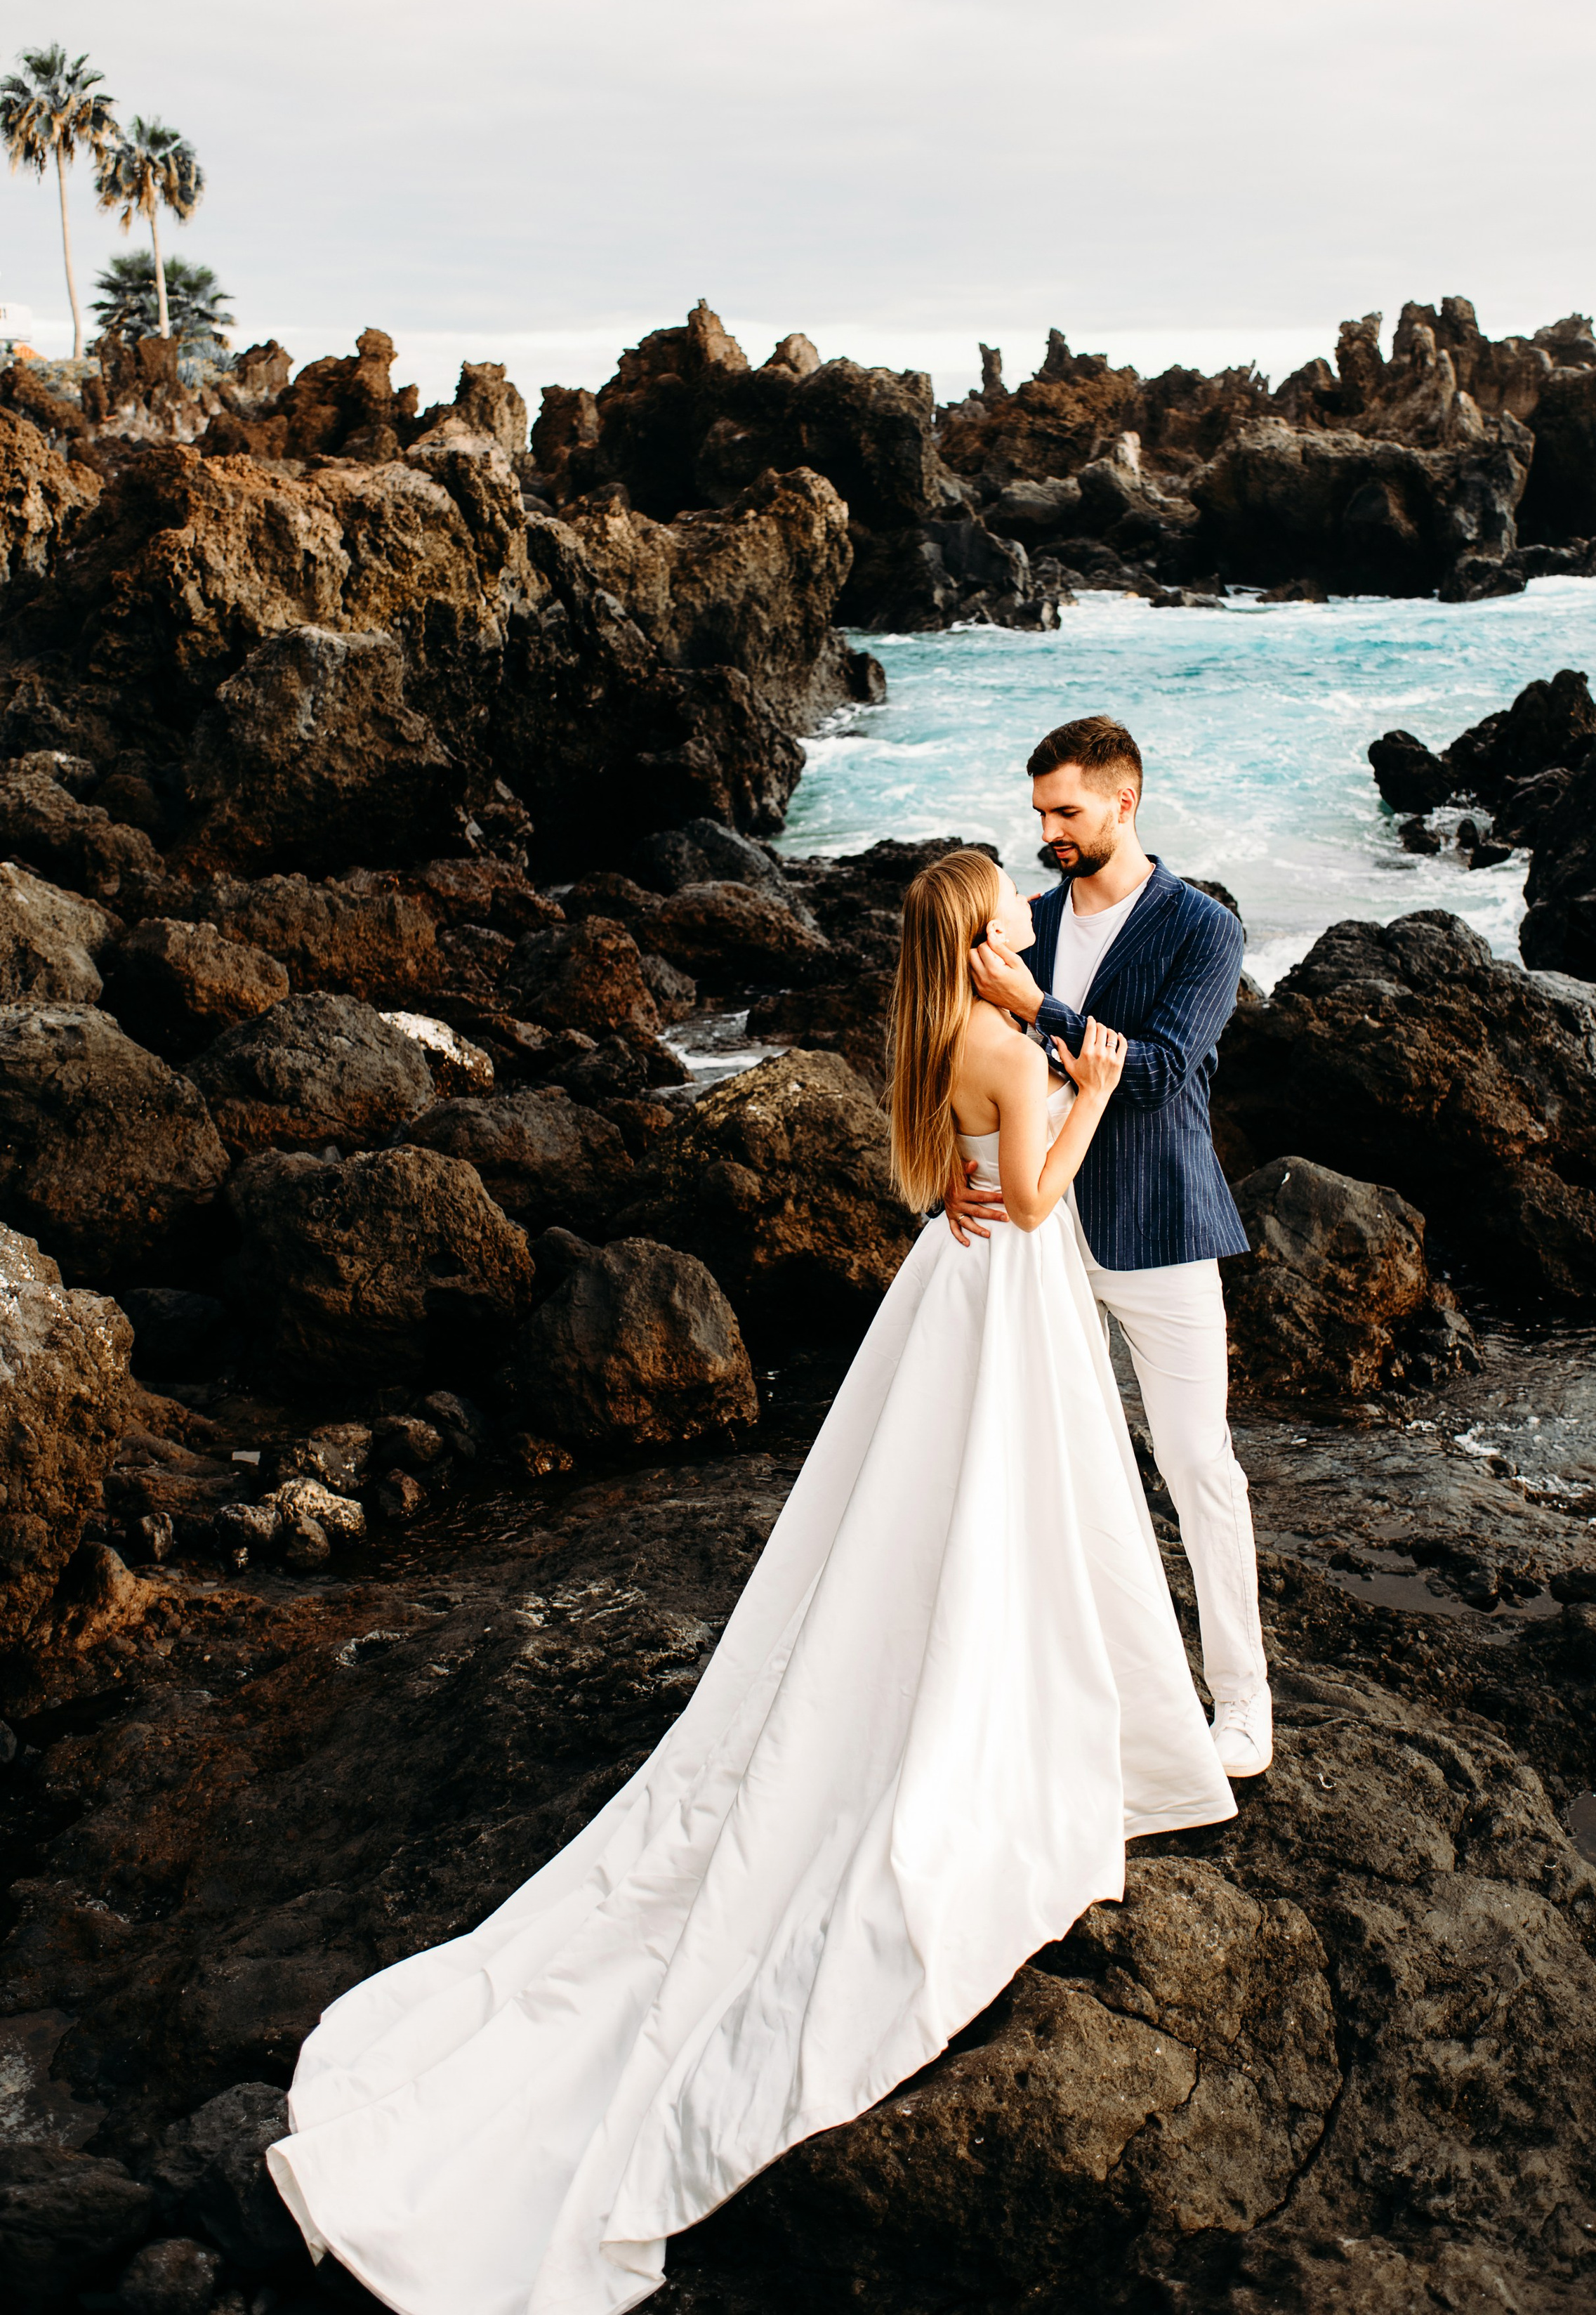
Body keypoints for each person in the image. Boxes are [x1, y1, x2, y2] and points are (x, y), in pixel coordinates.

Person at [267, 845, 1236, 2315]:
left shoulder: (936, 1034)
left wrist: (1039, 1022)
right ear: (975, 943)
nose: (1025, 927)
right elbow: (1034, 1200)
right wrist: (1090, 1075)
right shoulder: (999, 1039)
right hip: (1007, 1290)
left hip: (952, 1289)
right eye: (1004, 919)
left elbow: (966, 1167)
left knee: (949, 1522)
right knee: (1011, 1521)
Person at [951, 714, 1272, 1780]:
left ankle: (1242, 1702)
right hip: (1032, 1239)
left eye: (1068, 812)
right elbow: (955, 1054)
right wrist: (958, 1164)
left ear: (1125, 802)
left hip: (1162, 1225)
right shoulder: (1024, 918)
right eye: (1040, 812)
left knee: (1195, 1464)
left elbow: (1164, 1070)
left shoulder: (1202, 928)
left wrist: (1035, 1004)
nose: (1048, 831)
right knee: (1052, 1471)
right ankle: (1069, 1696)